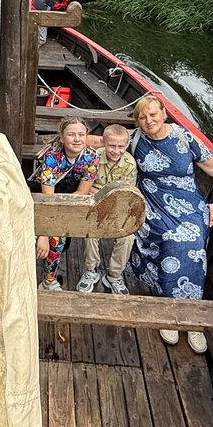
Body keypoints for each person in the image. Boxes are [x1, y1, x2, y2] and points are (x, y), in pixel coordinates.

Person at [127, 95, 213, 354]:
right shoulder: (135, 140)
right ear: (137, 121)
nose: (149, 120)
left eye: (153, 115)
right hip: (154, 201)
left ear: (164, 114)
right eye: (143, 117)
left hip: (189, 202)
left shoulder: (183, 137)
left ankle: (191, 315)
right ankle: (170, 311)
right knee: (167, 237)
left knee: (190, 240)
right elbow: (105, 144)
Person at [33, 116, 100, 292]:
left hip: (71, 197)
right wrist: (44, 233)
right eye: (71, 135)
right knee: (55, 238)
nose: (77, 139)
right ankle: (48, 280)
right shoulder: (52, 158)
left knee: (60, 237)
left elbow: (81, 193)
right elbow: (49, 199)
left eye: (81, 134)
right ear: (62, 138)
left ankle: (48, 278)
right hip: (46, 196)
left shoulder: (92, 157)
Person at [76, 124, 138, 294]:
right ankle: (90, 270)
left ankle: (114, 275)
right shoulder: (94, 158)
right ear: (103, 142)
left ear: (126, 146)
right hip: (93, 207)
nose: (116, 151)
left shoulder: (130, 164)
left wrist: (104, 194)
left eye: (121, 147)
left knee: (128, 236)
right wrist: (107, 194)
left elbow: (125, 193)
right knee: (90, 232)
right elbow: (85, 186)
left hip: (118, 208)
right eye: (112, 146)